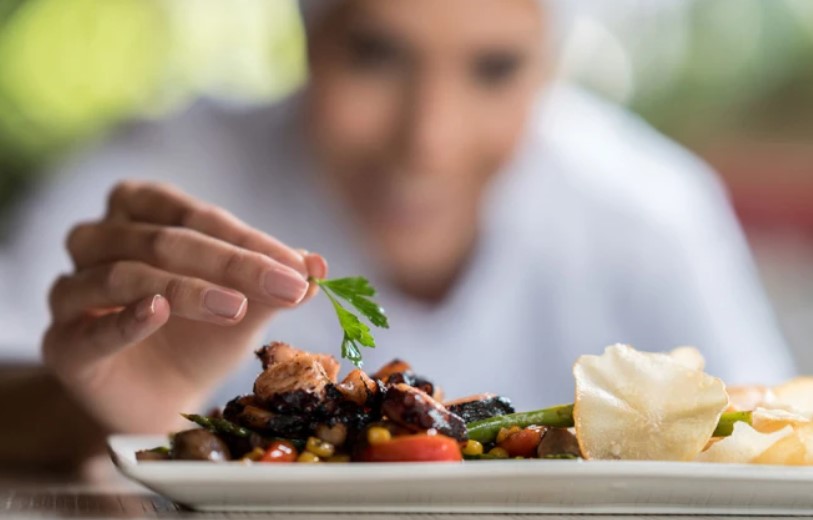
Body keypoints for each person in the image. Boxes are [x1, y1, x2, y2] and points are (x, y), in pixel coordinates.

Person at [0, 0, 795, 469]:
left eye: (492, 68)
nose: (429, 140)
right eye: (376, 54)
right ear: (309, 36)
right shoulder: (168, 180)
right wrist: (92, 406)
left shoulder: (649, 212)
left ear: (550, 64)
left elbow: (771, 440)